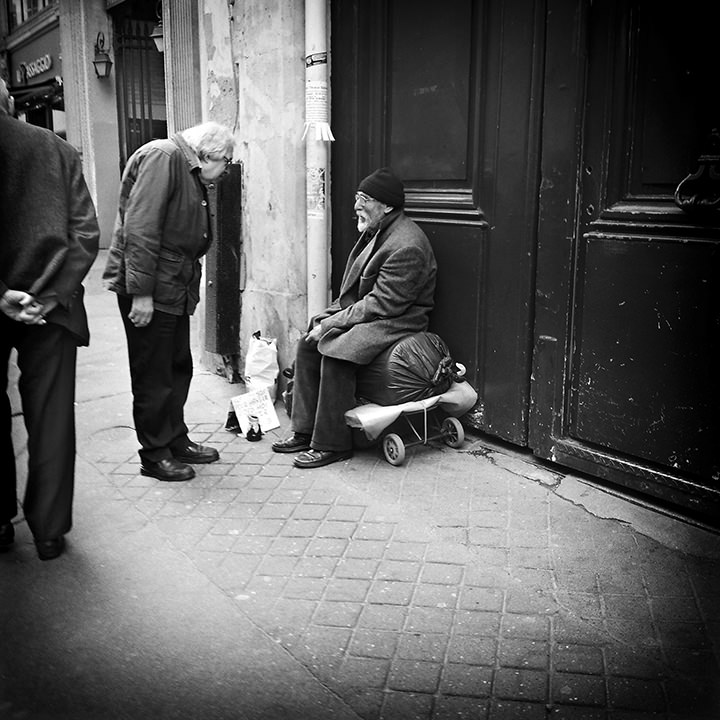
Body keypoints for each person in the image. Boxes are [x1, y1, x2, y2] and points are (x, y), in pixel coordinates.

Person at [272, 167, 437, 468]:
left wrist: (333, 323)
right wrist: (325, 321)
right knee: (309, 343)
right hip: (378, 311)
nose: (356, 207)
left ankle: (333, 444)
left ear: (387, 205)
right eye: (357, 198)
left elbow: (383, 305)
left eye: (365, 199)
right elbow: (362, 298)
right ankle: (305, 430)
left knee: (337, 352)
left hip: (399, 319)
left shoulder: (407, 244)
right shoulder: (379, 228)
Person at [0, 78, 100, 560]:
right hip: (51, 308)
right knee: (51, 416)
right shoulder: (56, 149)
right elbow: (86, 231)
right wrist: (51, 294)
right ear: (10, 103)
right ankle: (48, 529)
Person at [103, 121, 235, 482]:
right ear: (207, 154)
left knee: (177, 365)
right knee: (153, 374)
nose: (225, 170)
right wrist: (142, 294)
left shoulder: (187, 166)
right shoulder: (164, 157)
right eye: (225, 161)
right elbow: (141, 228)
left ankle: (175, 438)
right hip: (153, 287)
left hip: (172, 285)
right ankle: (155, 454)